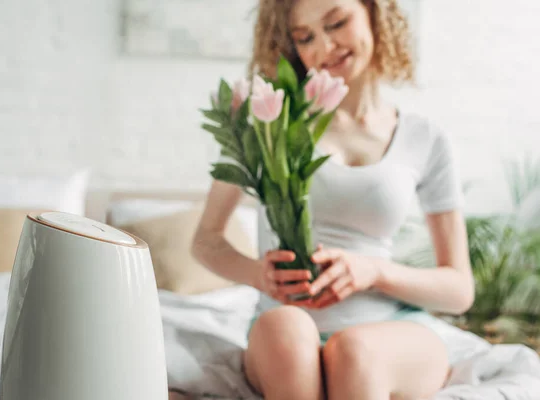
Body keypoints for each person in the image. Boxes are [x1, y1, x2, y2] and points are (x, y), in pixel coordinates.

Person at [191, 0, 474, 399]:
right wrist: (257, 274)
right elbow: (206, 240)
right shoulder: (267, 120)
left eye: (336, 23)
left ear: (375, 13)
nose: (325, 48)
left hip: (388, 327)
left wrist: (373, 271)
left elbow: (459, 289)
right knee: (289, 331)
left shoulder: (425, 138)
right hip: (285, 323)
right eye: (304, 37)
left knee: (355, 350)